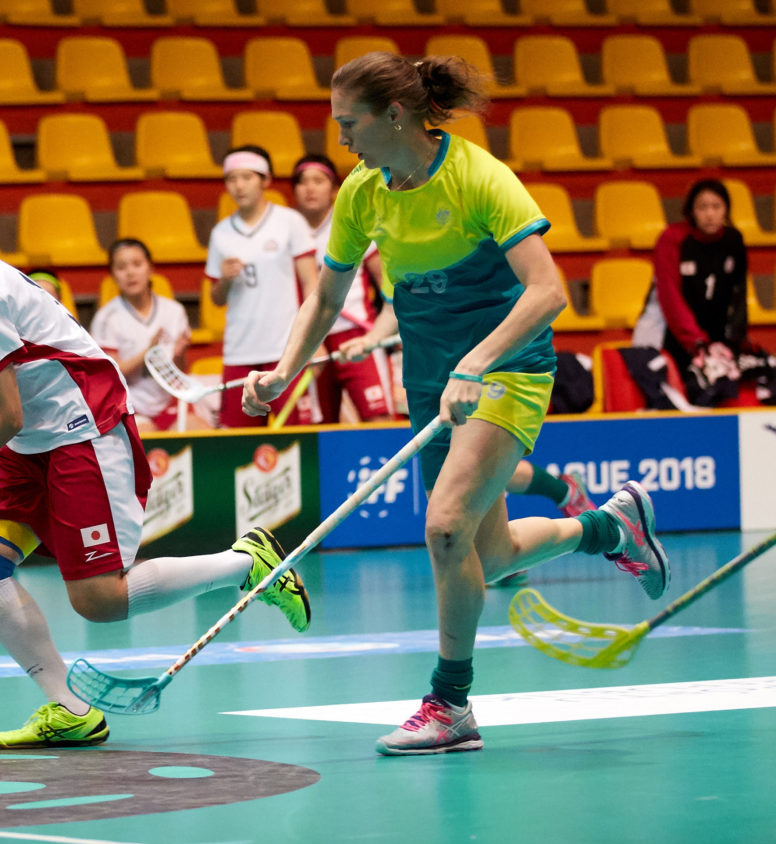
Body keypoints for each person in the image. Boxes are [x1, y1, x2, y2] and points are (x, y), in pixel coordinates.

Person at [242, 52, 670, 756]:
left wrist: (478, 360)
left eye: (350, 123)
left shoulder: (479, 177)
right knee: (488, 552)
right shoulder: (363, 192)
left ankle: (451, 702)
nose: (342, 138)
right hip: (432, 378)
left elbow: (548, 292)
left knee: (444, 529)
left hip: (506, 368)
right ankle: (609, 527)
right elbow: (326, 294)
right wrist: (285, 371)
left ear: (396, 115)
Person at [0, 188, 311, 749]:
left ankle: (245, 562)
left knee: (99, 601)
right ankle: (71, 708)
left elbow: (3, 416)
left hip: (81, 426)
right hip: (34, 429)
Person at [207, 145, 321, 428]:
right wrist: (224, 279)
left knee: (295, 440)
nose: (239, 186)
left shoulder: (289, 222)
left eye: (247, 177)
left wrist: (313, 341)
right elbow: (216, 298)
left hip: (285, 352)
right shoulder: (220, 233)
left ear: (266, 180)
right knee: (239, 443)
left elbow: (312, 284)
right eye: (232, 179)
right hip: (239, 352)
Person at [291, 153, 394, 423]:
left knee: (378, 417)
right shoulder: (286, 232)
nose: (310, 188)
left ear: (335, 189)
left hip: (356, 335)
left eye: (319, 180)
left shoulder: (350, 224)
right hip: (312, 340)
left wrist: (394, 324)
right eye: (302, 182)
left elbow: (388, 281)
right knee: (319, 428)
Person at [634, 178, 748, 391]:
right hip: (671, 335)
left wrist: (733, 342)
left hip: (715, 340)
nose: (710, 214)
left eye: (716, 206)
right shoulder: (672, 238)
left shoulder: (734, 240)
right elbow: (669, 297)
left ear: (726, 209)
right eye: (702, 207)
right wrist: (696, 342)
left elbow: (739, 295)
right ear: (691, 211)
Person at [90, 238, 210, 434]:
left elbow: (179, 371)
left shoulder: (174, 311)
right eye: (121, 267)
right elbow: (111, 373)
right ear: (113, 275)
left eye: (137, 264)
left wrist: (179, 355)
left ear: (150, 268)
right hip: (130, 406)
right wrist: (148, 352)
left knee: (201, 432)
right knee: (148, 440)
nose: (130, 273)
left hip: (169, 402)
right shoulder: (106, 318)